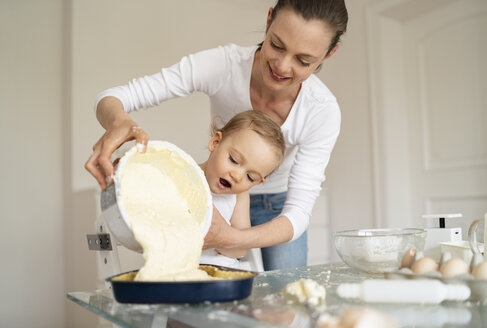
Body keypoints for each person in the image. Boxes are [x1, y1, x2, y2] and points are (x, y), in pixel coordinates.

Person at [85, 0, 348, 270]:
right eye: (277, 45)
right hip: (212, 190)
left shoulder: (321, 111)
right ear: (269, 20)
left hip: (279, 208)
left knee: (286, 299)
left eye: (303, 61)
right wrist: (119, 122)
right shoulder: (223, 66)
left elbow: (298, 213)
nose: (281, 66)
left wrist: (231, 237)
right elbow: (113, 97)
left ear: (329, 53)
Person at [199, 110, 285, 269]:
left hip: (221, 272)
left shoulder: (239, 196)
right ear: (216, 142)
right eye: (234, 160)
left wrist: (220, 238)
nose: (237, 176)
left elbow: (240, 249)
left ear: (258, 182)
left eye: (250, 177)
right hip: (177, 271)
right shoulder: (185, 174)